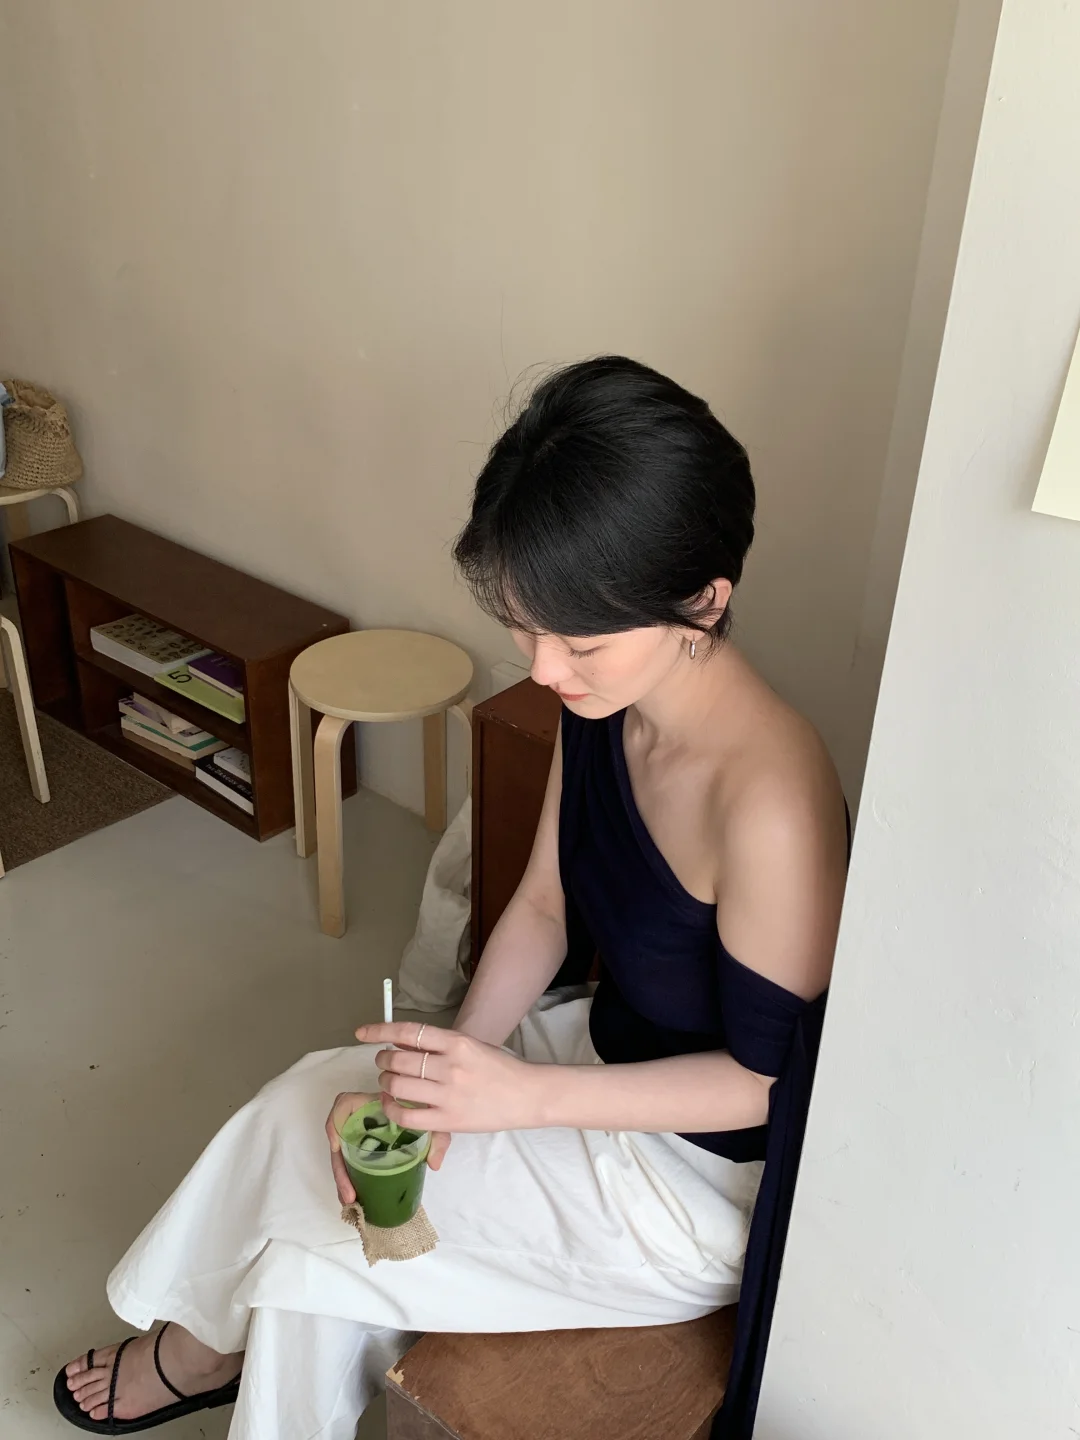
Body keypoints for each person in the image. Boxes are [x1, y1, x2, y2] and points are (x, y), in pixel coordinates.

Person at [55, 356, 848, 1439]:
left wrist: (516, 1098)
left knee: (323, 1226)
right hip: (592, 1062)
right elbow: (543, 908)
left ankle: (194, 1355)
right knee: (319, 1126)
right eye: (526, 627)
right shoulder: (606, 702)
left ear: (705, 601)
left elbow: (769, 1084)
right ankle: (205, 1354)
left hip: (687, 1184)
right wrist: (453, 1071)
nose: (547, 667)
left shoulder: (772, 804)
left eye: (580, 641)